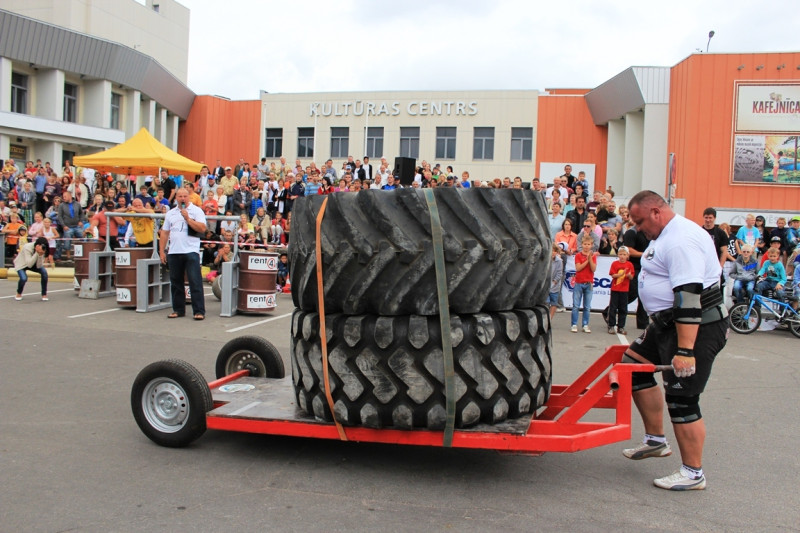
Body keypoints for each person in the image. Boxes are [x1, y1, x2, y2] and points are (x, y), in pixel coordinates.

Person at [622, 191, 728, 491]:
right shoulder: (664, 234)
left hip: (694, 328)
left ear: (656, 211)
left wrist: (684, 351)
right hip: (664, 325)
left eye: (641, 221)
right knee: (632, 369)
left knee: (682, 399)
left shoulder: (681, 240)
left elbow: (689, 298)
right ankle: (656, 440)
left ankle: (693, 473)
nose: (639, 228)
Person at [159, 188, 207, 320]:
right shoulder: (170, 213)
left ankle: (199, 311)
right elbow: (164, 232)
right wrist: (162, 251)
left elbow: (202, 228)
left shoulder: (197, 211)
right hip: (174, 251)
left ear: (189, 197)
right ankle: (178, 309)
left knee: (195, 281)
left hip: (191, 250)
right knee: (175, 282)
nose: (182, 198)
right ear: (176, 198)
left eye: (185, 196)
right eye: (180, 196)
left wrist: (188, 219)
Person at [570, 237, 596, 333]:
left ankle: (585, 324)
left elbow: (593, 269)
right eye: (585, 244)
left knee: (587, 306)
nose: (586, 246)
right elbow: (578, 268)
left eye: (588, 244)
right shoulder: (578, 255)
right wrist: (587, 260)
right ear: (582, 245)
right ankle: (574, 324)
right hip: (579, 283)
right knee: (576, 305)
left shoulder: (593, 256)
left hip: (589, 283)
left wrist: (591, 259)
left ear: (591, 245)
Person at [13, 237, 51, 301]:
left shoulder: (44, 249)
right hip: (22, 263)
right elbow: (29, 264)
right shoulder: (27, 247)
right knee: (23, 278)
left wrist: (40, 254)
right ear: (37, 245)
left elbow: (39, 266)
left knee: (44, 273)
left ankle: (44, 294)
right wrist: (36, 252)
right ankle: (19, 293)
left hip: (35, 264)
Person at [607, 246, 634, 334]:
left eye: (624, 254)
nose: (622, 256)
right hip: (615, 288)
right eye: (620, 254)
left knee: (623, 308)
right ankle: (611, 325)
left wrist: (629, 275)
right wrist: (620, 274)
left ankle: (621, 326)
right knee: (613, 307)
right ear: (618, 255)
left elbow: (631, 277)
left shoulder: (630, 265)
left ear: (627, 255)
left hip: (624, 289)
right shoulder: (615, 264)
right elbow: (612, 275)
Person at [548, 243, 563, 320]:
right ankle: (545, 318)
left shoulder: (559, 261)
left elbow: (559, 274)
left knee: (554, 303)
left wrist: (554, 282)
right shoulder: (546, 260)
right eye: (551, 251)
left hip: (555, 286)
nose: (553, 252)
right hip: (546, 286)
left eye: (554, 251)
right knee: (546, 303)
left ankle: (550, 319)